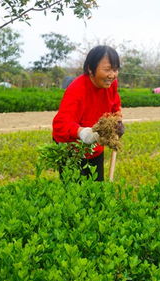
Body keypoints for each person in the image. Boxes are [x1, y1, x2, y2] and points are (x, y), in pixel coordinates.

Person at [52, 45, 124, 181]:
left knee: (96, 190)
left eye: (115, 70)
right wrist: (83, 133)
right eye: (107, 70)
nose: (112, 75)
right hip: (71, 149)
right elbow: (60, 124)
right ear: (90, 69)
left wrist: (118, 120)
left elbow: (115, 103)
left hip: (95, 147)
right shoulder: (77, 90)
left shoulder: (111, 84)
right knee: (74, 193)